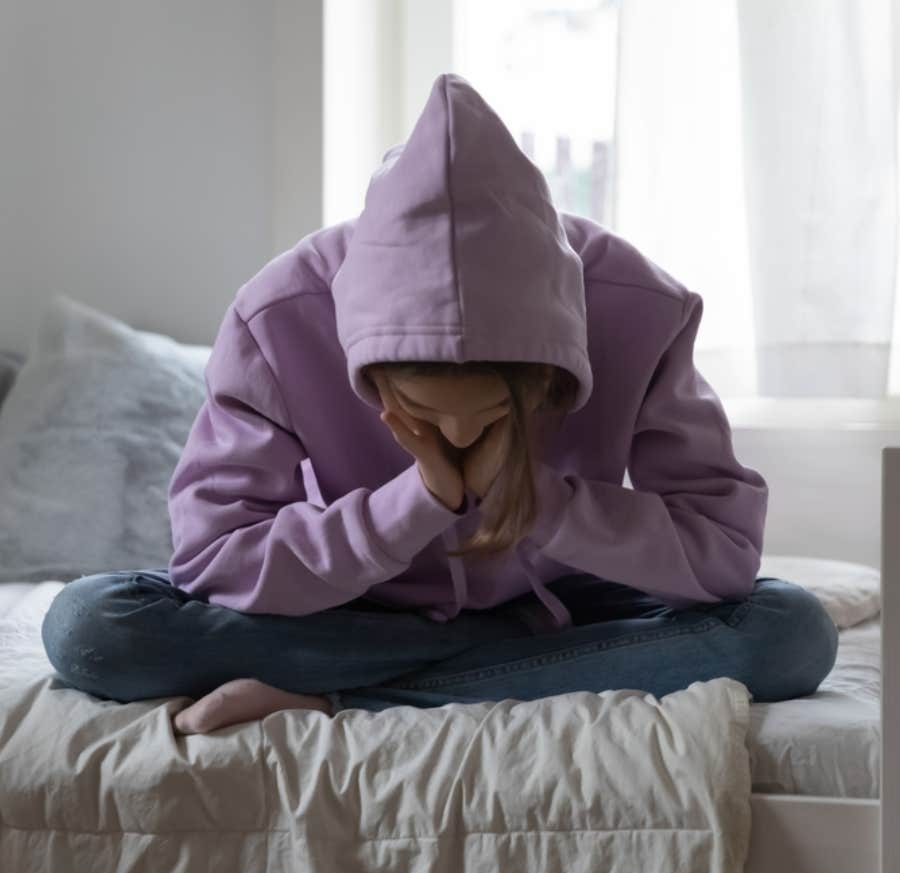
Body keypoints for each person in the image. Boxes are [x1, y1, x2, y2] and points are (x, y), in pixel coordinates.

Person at [40, 73, 838, 736]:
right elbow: (215, 560)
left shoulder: (641, 305)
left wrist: (546, 508)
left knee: (790, 633)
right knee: (91, 626)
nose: (456, 436)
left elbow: (724, 553)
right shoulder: (279, 316)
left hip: (572, 600)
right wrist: (415, 502)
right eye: (422, 417)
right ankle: (513, 673)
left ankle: (353, 703)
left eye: (492, 418)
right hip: (354, 611)